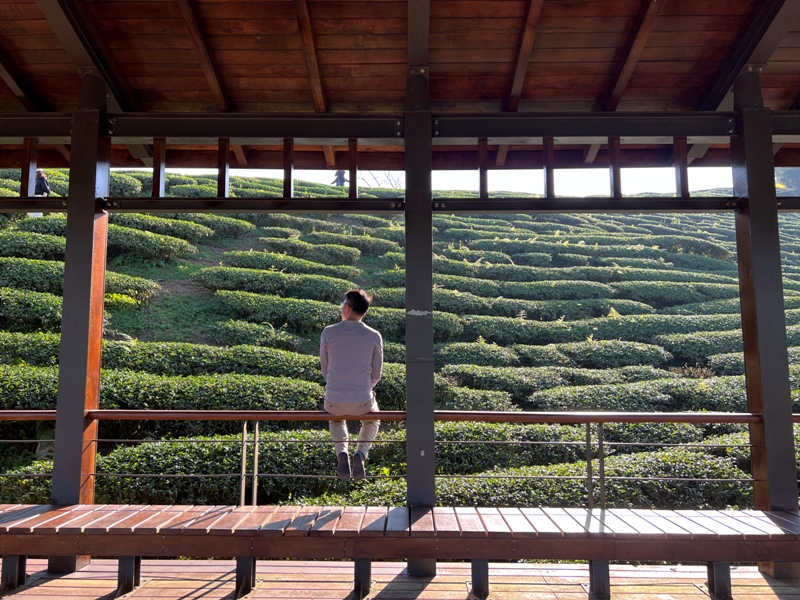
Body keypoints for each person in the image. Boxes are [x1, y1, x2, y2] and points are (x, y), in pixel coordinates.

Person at [320, 289, 383, 481]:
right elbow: (376, 373)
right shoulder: (374, 335)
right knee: (373, 420)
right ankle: (361, 454)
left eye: (342, 304)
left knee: (336, 418)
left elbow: (325, 369)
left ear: (347, 307)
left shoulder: (328, 332)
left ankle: (342, 452)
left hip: (334, 399)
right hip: (363, 400)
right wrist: (363, 388)